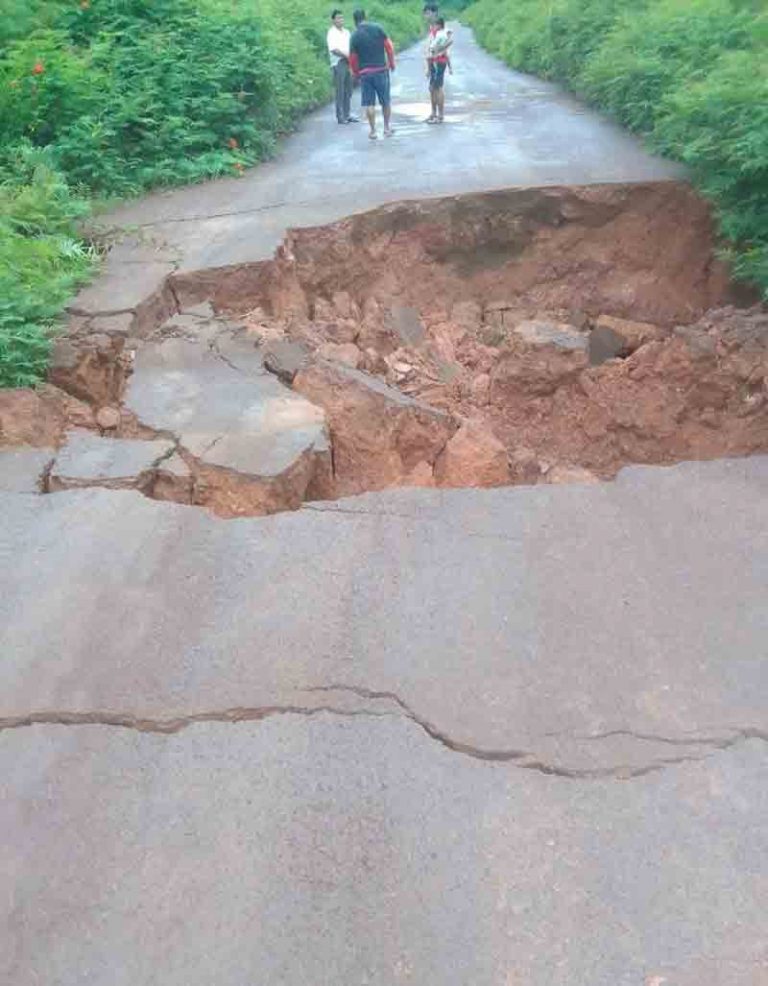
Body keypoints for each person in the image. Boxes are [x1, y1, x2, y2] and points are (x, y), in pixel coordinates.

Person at [349, 8, 396, 140]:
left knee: (369, 103)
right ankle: (386, 128)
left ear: (355, 21)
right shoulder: (377, 28)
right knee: (385, 101)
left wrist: (356, 73)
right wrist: (391, 63)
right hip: (381, 70)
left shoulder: (355, 36)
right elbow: (389, 47)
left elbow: (352, 58)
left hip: (365, 73)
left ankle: (373, 131)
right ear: (365, 17)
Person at [424, 4, 452, 123]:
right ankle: (434, 113)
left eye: (427, 13)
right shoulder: (432, 28)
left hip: (438, 61)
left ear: (434, 13)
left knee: (437, 87)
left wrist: (437, 54)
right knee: (432, 88)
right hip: (433, 61)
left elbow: (448, 43)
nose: (425, 15)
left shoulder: (440, 28)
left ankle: (440, 115)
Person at [327, 10, 357, 124]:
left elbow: (351, 46)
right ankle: (340, 117)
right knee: (340, 90)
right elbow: (334, 49)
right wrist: (346, 55)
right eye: (338, 18)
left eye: (342, 18)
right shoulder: (331, 33)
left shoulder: (346, 32)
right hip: (339, 62)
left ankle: (347, 114)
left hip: (348, 62)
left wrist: (352, 58)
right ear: (333, 20)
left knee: (348, 89)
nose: (340, 20)